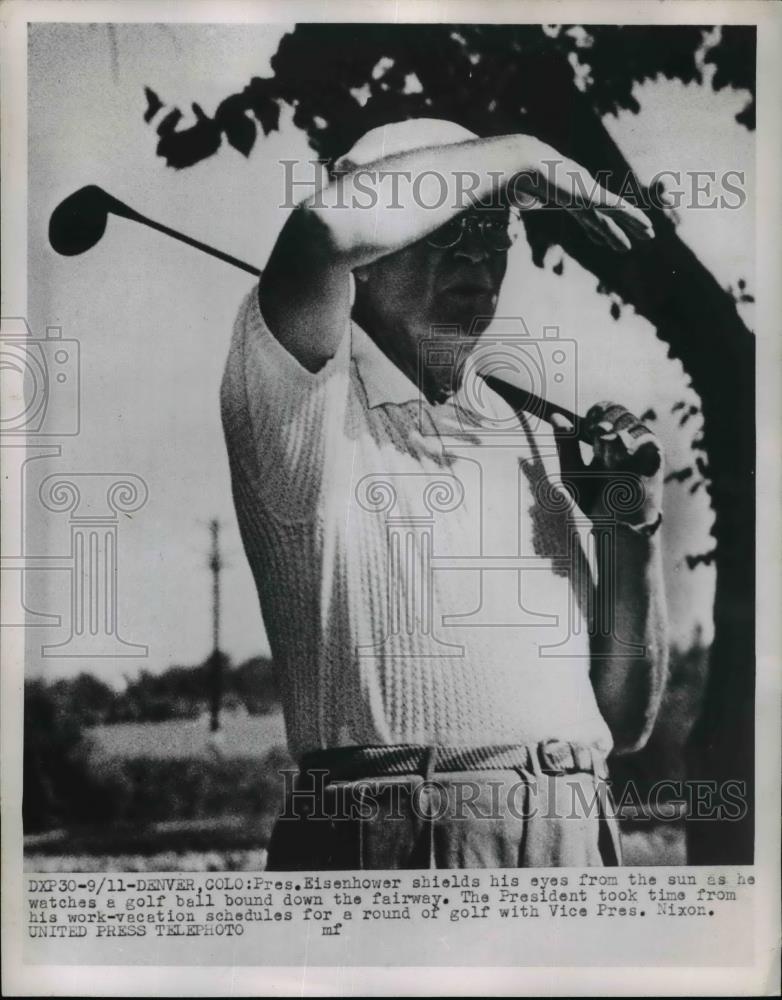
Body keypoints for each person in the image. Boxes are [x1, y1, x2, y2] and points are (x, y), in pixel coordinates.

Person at [220, 119, 668, 870]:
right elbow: (324, 229)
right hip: (398, 834)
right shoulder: (294, 392)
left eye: (496, 235)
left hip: (576, 830)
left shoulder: (531, 434)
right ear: (375, 245)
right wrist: (528, 152)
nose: (479, 256)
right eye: (447, 228)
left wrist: (631, 530)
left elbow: (621, 724)